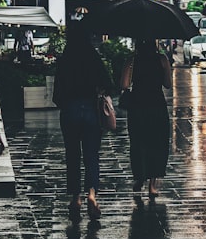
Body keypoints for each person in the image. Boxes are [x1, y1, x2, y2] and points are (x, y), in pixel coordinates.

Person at [51, 20, 113, 220]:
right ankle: (92, 195)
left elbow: (56, 95)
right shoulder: (93, 57)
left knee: (72, 156)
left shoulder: (65, 60)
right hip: (91, 110)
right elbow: (108, 83)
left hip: (70, 110)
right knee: (91, 154)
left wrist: (67, 104)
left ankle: (75, 199)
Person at [120, 38, 172, 199]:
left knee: (138, 143)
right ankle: (152, 184)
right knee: (157, 144)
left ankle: (139, 178)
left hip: (137, 106)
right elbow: (168, 84)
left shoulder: (133, 60)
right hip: (157, 105)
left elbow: (124, 84)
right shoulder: (162, 59)